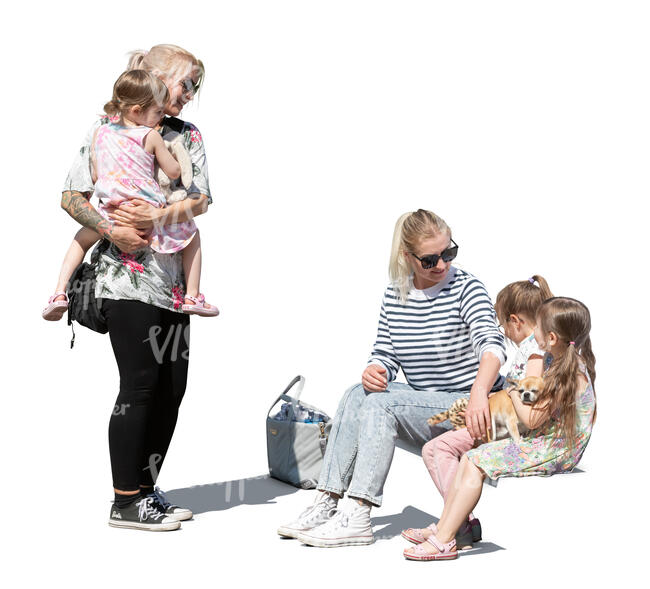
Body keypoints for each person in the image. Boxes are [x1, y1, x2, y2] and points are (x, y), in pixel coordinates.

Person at [277, 209, 507, 547]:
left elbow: (492, 345)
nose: (441, 264)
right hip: (424, 403)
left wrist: (478, 390)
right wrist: (377, 370)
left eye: (448, 253)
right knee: (357, 392)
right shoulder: (395, 295)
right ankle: (328, 501)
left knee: (383, 404)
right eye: (430, 260)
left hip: (469, 405)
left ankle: (358, 510)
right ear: (408, 257)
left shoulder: (466, 287)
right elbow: (385, 353)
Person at [57, 45, 214, 531]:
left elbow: (202, 198)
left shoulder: (186, 135)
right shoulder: (106, 128)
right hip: (124, 280)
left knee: (173, 387)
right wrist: (110, 230)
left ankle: (146, 491)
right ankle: (125, 500)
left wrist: (157, 214)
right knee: (140, 386)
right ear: (157, 77)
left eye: (196, 87)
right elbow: (70, 196)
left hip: (172, 284)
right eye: (186, 83)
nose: (191, 95)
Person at [403, 296, 597, 561]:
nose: (533, 333)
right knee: (470, 458)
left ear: (551, 337)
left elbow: (531, 419)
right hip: (548, 443)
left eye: (537, 327)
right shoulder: (561, 364)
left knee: (475, 459)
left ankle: (445, 539)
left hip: (555, 451)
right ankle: (446, 529)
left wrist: (514, 390)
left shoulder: (568, 374)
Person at [43, 70, 217, 320]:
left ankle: (59, 293)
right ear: (137, 110)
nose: (161, 116)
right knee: (192, 235)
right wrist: (175, 157)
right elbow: (174, 171)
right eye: (157, 111)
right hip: (144, 206)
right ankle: (193, 294)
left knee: (81, 239)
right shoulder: (151, 135)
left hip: (112, 209)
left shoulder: (102, 132)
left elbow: (97, 167)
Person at [403, 275, 553, 549]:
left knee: (439, 449)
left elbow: (531, 396)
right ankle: (456, 523)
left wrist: (507, 392)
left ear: (515, 321)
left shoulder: (535, 352)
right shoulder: (535, 346)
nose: (504, 332)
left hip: (508, 427)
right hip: (502, 422)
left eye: (502, 324)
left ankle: (455, 527)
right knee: (434, 449)